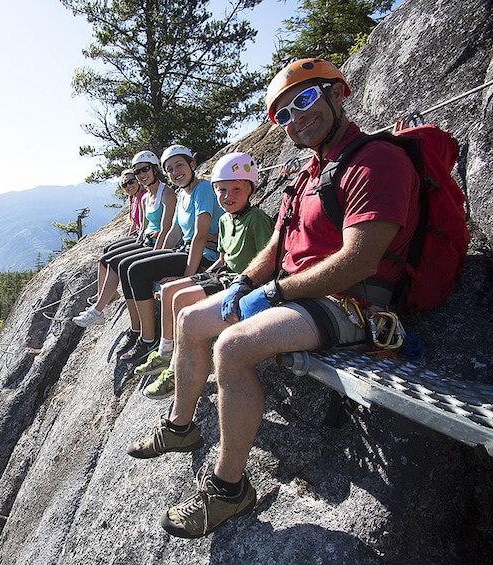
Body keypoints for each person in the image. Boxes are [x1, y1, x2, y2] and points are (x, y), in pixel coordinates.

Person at [127, 57, 420, 538]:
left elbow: (361, 261)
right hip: (297, 291)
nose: (296, 117)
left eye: (304, 100)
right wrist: (247, 283)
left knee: (233, 347)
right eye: (283, 113)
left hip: (354, 302)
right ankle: (182, 428)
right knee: (191, 321)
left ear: (337, 93)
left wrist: (276, 291)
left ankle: (229, 489)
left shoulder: (375, 161)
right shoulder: (309, 174)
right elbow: (275, 246)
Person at [135, 152, 273, 399]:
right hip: (223, 274)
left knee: (181, 301)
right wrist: (192, 279)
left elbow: (267, 260)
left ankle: (176, 367)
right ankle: (166, 351)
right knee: (170, 290)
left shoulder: (257, 219)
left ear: (250, 189)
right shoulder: (225, 222)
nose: (227, 196)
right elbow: (222, 259)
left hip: (242, 281)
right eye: (221, 190)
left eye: (236, 189)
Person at [117, 144, 226, 364]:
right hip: (187, 252)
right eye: (170, 169)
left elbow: (200, 235)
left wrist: (187, 277)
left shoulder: (203, 189)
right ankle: (138, 330)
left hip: (206, 256)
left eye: (179, 165)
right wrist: (156, 259)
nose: (175, 172)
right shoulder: (182, 194)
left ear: (192, 164)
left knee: (137, 271)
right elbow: (174, 232)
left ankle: (148, 341)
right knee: (128, 266)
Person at [73, 152, 176, 338]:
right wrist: (129, 249)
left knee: (123, 265)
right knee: (114, 260)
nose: (141, 175)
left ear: (154, 169)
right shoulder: (145, 198)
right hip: (146, 241)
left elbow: (165, 229)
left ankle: (99, 311)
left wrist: (156, 257)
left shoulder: (166, 193)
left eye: (145, 169)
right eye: (137, 172)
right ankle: (131, 326)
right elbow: (143, 229)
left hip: (157, 244)